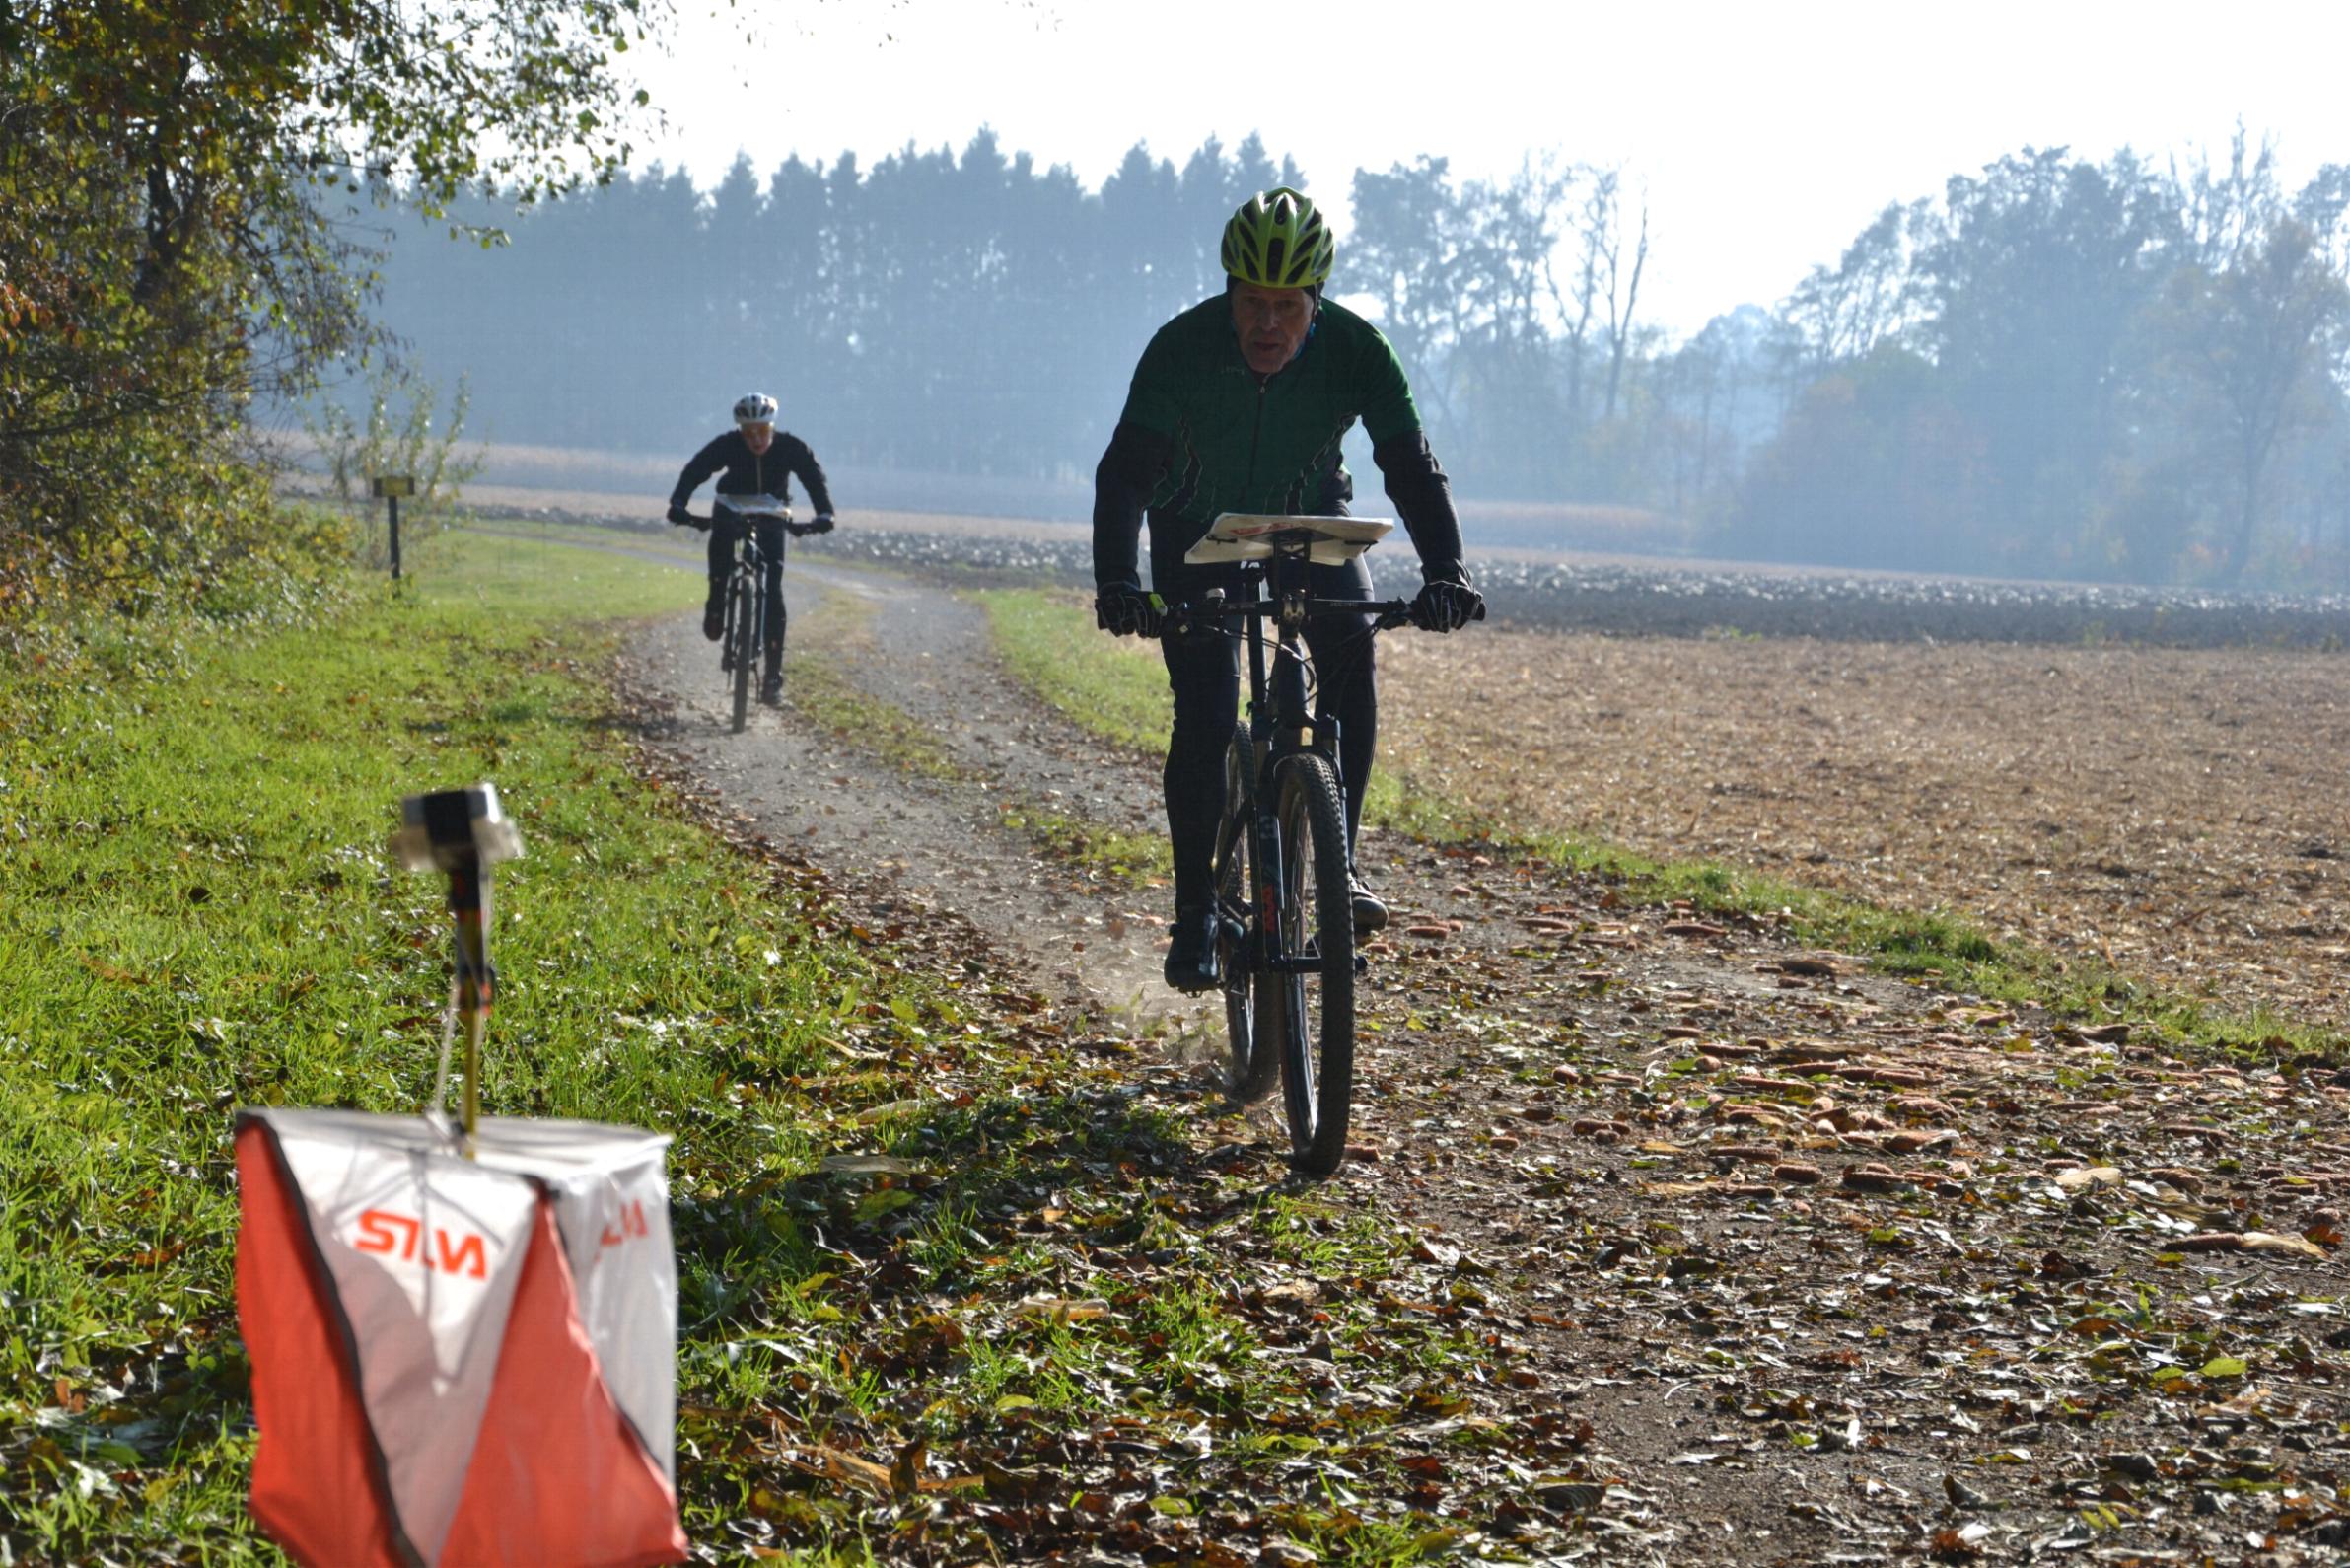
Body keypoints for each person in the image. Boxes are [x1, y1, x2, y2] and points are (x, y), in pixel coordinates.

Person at [1092, 185, 1482, 993]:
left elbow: (1409, 466)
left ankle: (1336, 864)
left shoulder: (1359, 351)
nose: (1266, 324)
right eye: (1250, 303)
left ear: (1316, 302)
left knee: (1349, 654)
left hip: (1307, 520)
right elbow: (1125, 474)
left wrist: (1446, 570)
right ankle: (1196, 909)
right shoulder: (1180, 347)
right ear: (1229, 295)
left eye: (1287, 306)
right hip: (1193, 529)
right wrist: (1118, 581)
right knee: (1205, 706)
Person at [667, 393, 836, 704]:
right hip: (732, 505)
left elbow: (813, 478)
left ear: (772, 427)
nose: (756, 439)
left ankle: (773, 681)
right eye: (749, 432)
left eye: (762, 430)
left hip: (773, 513)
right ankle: (716, 600)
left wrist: (825, 512)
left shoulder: (791, 447)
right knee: (721, 539)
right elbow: (696, 470)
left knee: (774, 589)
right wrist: (679, 502)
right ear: (740, 431)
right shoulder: (727, 445)